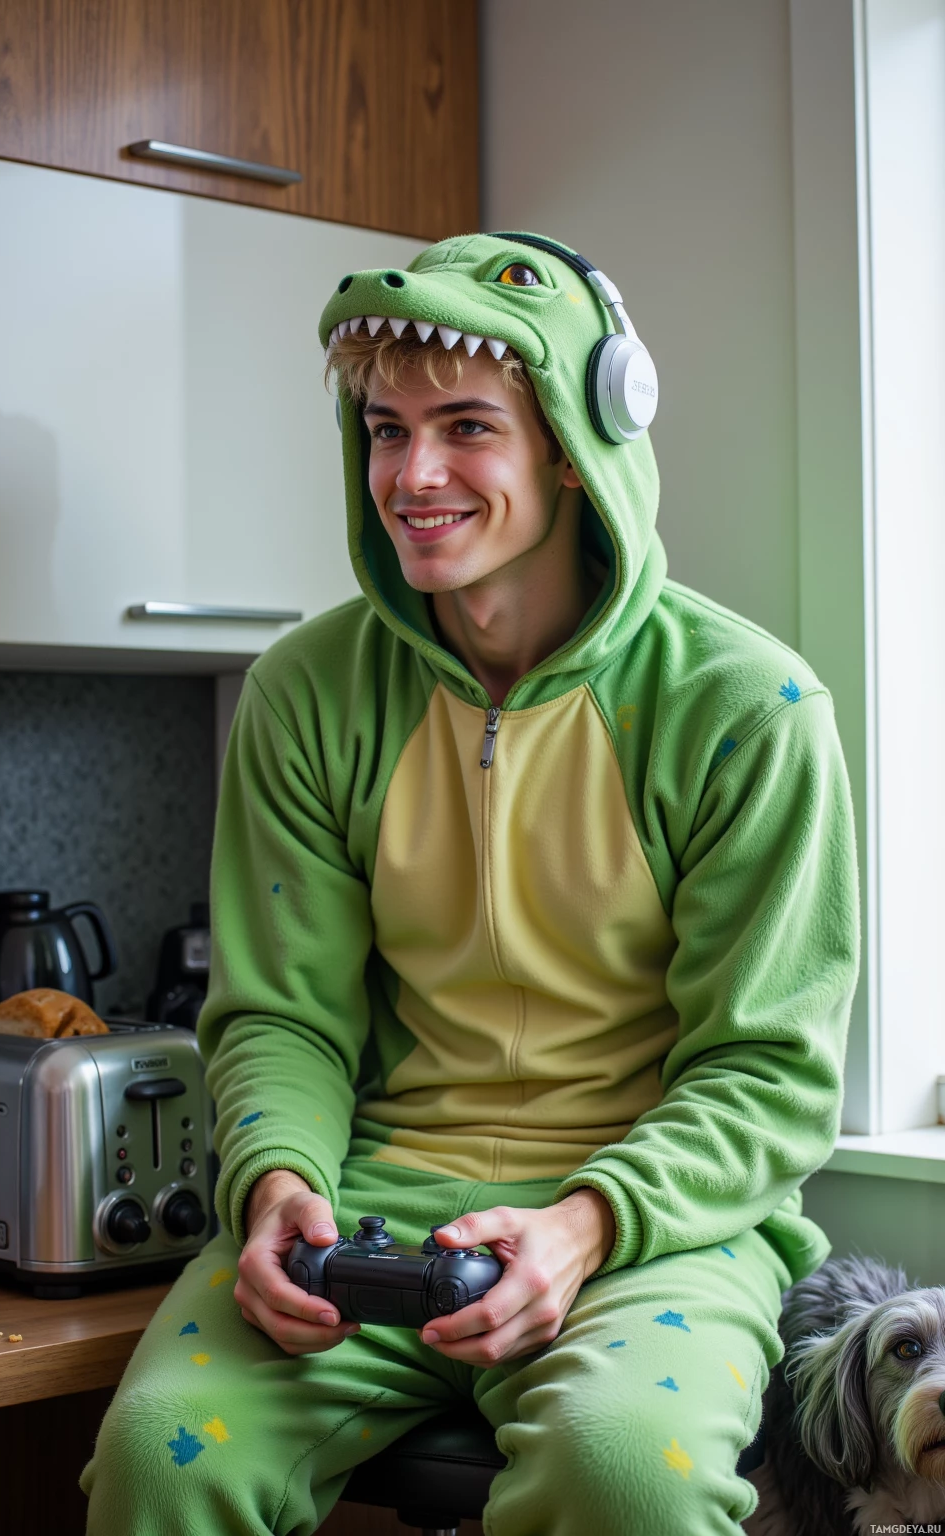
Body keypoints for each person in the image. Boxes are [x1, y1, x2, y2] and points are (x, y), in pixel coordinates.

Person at [82, 232, 860, 1535]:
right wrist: (275, 1184)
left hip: (650, 1231)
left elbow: (768, 1073)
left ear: (575, 439)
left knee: (626, 1477)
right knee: (164, 1454)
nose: (413, 475)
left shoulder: (749, 708)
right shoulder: (304, 695)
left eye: (465, 428)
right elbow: (285, 1018)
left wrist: (586, 1223)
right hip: (370, 1210)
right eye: (386, 430)